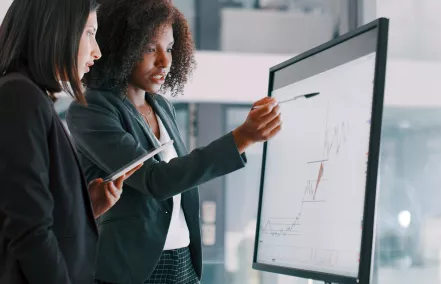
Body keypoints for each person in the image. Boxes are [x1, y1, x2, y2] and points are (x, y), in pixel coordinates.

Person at [65, 0, 282, 283]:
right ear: (120, 48)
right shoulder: (90, 109)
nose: (165, 61)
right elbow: (155, 180)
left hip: (184, 262)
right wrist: (240, 138)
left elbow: (180, 179)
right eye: (150, 48)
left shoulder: (162, 106)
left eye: (169, 48)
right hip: (131, 269)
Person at [0, 0, 140, 283]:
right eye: (89, 32)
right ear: (55, 31)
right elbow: (30, 229)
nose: (97, 51)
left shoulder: (30, 97)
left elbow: (31, 207)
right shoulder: (20, 97)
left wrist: (83, 206)